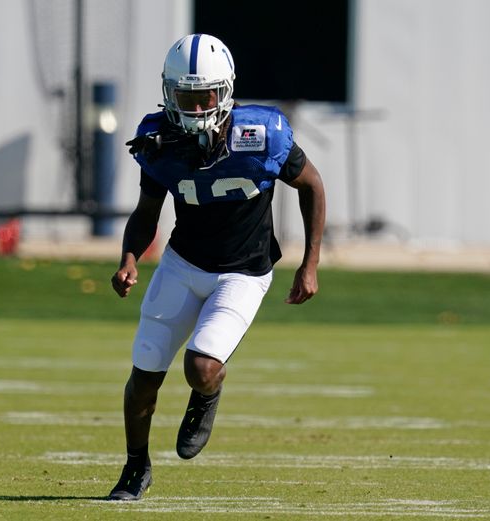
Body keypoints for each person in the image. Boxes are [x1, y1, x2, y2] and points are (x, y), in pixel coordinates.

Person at [107, 33, 326, 501]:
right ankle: (135, 468)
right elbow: (146, 212)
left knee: (202, 367)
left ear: (225, 90)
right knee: (144, 372)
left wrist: (310, 263)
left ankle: (206, 397)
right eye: (184, 96)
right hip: (183, 263)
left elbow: (312, 186)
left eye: (203, 96)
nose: (194, 107)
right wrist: (128, 258)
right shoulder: (159, 141)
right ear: (168, 93)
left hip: (243, 271)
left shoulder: (262, 134)